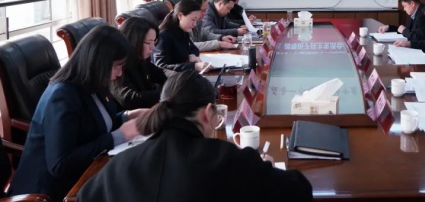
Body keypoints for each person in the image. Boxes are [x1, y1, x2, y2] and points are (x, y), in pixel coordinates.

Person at [77, 71, 313, 202]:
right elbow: (299, 191)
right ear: (208, 112)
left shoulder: (120, 166)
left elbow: (85, 196)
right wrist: (263, 167)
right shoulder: (227, 160)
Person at [8, 25, 145, 201]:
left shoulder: (93, 83)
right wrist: (119, 136)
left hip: (84, 173)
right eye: (116, 66)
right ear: (98, 62)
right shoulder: (62, 95)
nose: (119, 73)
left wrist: (128, 116)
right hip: (47, 192)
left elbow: (95, 124)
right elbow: (60, 164)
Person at [112, 16, 167, 110]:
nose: (153, 47)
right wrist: (167, 93)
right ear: (134, 41)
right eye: (148, 43)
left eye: (154, 42)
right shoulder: (118, 64)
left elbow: (161, 74)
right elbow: (129, 98)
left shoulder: (140, 59)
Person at [153, 0, 209, 73]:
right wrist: (193, 66)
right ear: (180, 16)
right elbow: (161, 66)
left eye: (196, 21)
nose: (195, 24)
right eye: (193, 19)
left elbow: (194, 48)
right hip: (171, 78)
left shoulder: (182, 31)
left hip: (184, 74)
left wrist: (191, 56)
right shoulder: (164, 36)